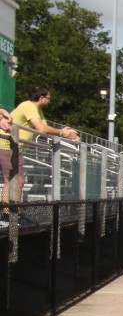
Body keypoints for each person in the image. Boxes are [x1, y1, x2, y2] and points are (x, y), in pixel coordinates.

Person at [5, 86, 80, 218]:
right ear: (41, 98)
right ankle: (8, 214)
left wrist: (68, 134)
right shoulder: (28, 106)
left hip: (15, 146)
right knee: (14, 180)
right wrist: (62, 132)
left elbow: (46, 130)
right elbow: (41, 129)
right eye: (48, 98)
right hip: (7, 145)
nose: (49, 101)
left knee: (16, 180)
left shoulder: (37, 110)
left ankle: (13, 213)